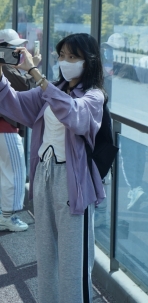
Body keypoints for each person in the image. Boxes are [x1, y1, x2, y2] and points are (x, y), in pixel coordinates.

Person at [0, 33, 106, 303]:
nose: (65, 61)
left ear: (89, 61)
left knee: (73, 262)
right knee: (46, 257)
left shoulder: (93, 96)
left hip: (73, 181)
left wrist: (34, 73)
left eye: (72, 56)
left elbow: (74, 115)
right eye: (61, 55)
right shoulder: (51, 90)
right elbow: (14, 104)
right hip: (44, 174)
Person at [0, 29, 41, 232]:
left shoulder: (6, 67)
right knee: (15, 173)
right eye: (14, 48)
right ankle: (8, 216)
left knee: (6, 173)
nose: (18, 51)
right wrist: (32, 68)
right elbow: (28, 91)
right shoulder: (6, 69)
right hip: (5, 128)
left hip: (5, 127)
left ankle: (5, 213)